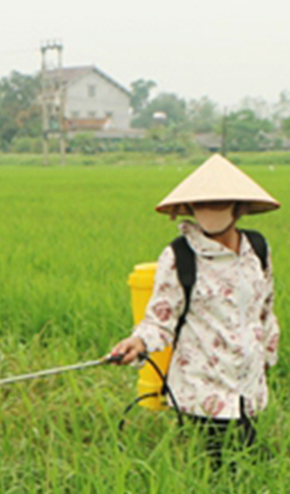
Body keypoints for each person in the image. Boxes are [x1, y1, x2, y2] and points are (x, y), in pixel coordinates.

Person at [110, 155, 281, 466]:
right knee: (230, 467)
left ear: (239, 207)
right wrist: (138, 343)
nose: (210, 210)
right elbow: (161, 320)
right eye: (203, 203)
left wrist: (267, 357)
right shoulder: (179, 256)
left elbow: (265, 309)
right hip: (203, 385)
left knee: (247, 466)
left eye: (219, 202)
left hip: (248, 384)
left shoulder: (257, 249)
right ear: (190, 208)